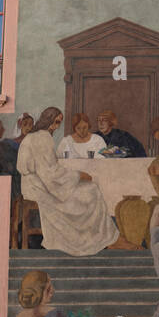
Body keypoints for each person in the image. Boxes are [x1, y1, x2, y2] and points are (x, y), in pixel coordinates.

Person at [16, 107, 120, 255]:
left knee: (88, 189)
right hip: (39, 187)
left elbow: (49, 171)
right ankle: (93, 239)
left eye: (59, 123)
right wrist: (78, 175)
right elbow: (50, 173)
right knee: (91, 190)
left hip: (34, 184)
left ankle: (98, 238)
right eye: (56, 122)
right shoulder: (43, 137)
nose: (57, 126)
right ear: (49, 121)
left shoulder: (32, 136)